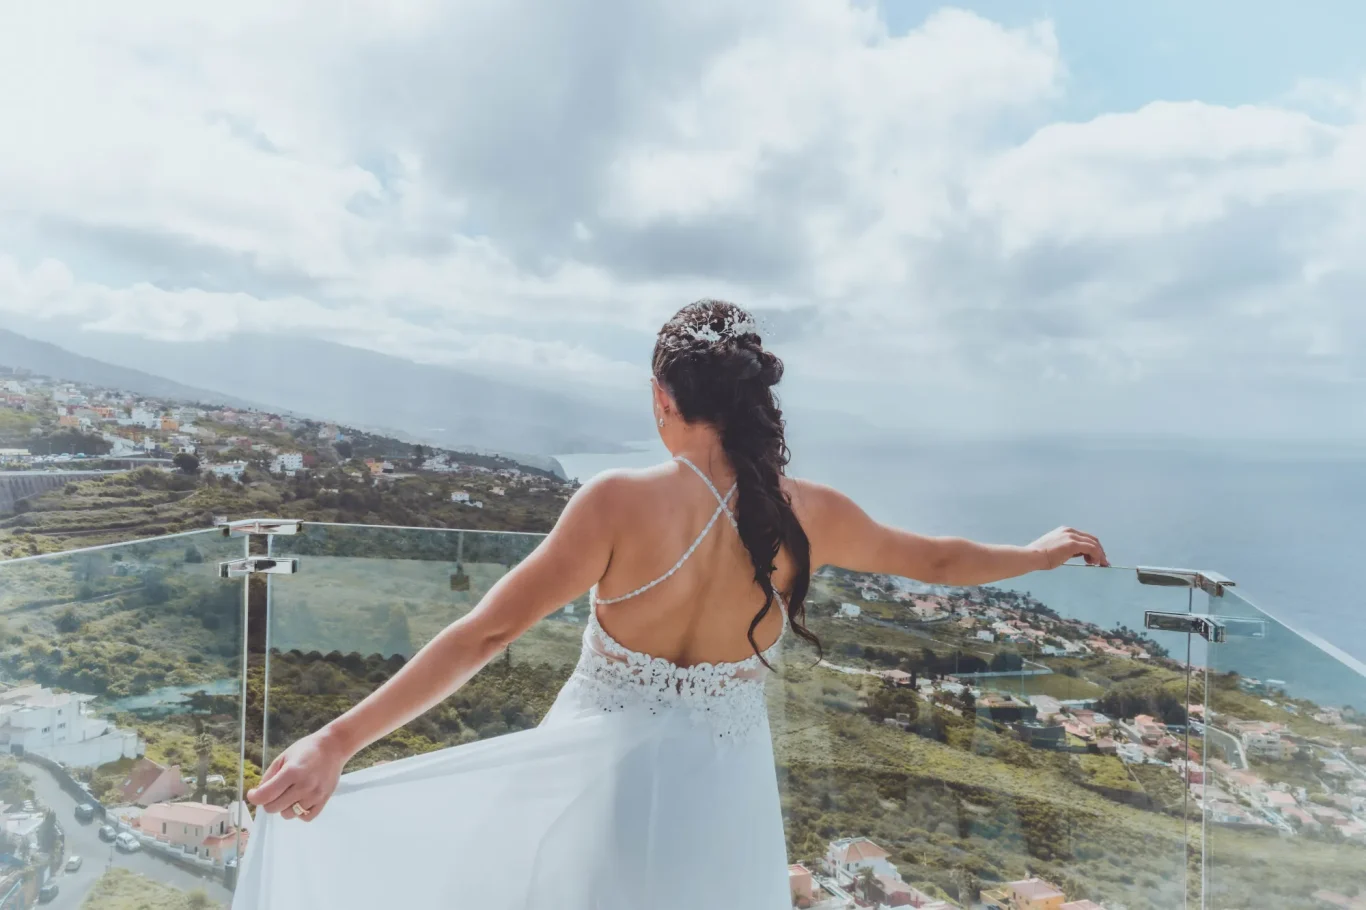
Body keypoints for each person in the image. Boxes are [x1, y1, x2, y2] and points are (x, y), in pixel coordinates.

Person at [235, 300, 1107, 908]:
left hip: (594, 785)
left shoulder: (617, 502)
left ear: (663, 399)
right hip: (721, 796)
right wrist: (1036, 554)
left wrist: (336, 739)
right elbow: (942, 559)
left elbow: (486, 632)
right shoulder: (814, 515)